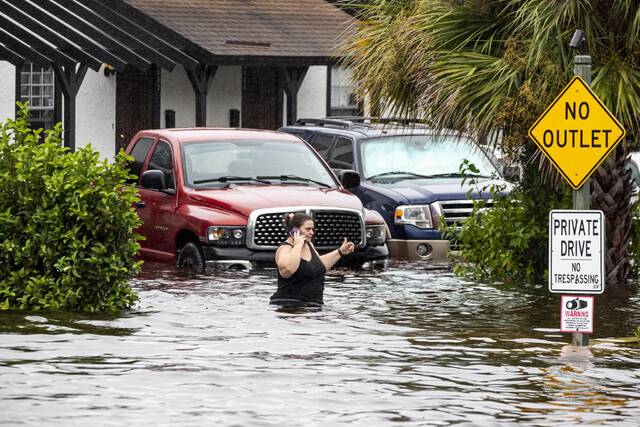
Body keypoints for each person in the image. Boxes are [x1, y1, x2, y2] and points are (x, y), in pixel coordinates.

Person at [270, 212, 356, 307]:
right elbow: (287, 269)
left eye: (312, 229)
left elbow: (318, 266)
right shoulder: (285, 248)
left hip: (312, 307)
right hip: (290, 306)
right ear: (295, 230)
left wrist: (340, 252)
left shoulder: (309, 245)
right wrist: (298, 244)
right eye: (308, 229)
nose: (312, 232)